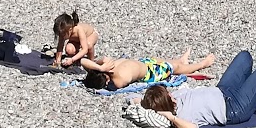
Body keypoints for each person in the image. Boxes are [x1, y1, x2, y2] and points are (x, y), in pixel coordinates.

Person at [139, 49, 256, 128]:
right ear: (166, 102)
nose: (171, 93)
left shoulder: (174, 97)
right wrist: (169, 116)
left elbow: (134, 99)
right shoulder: (181, 116)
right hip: (234, 109)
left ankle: (251, 92)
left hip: (223, 90)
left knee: (245, 56)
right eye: (168, 95)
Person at [80, 49, 213, 92]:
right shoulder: (118, 78)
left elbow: (83, 61)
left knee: (161, 61)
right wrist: (102, 68)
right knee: (174, 69)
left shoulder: (105, 66)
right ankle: (202, 64)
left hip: (143, 63)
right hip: (150, 73)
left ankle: (181, 60)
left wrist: (100, 67)